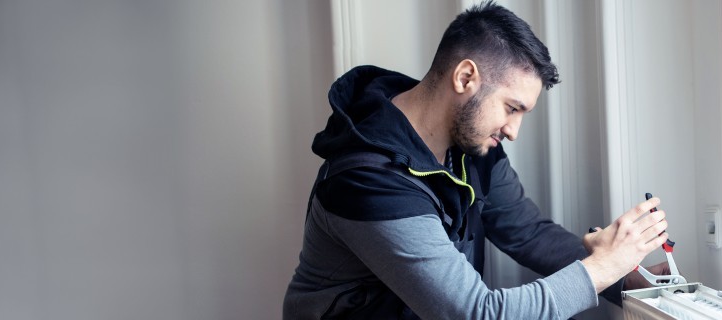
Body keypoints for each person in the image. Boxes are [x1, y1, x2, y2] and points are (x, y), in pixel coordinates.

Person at [283, 1, 671, 319]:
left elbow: (528, 232)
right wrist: (602, 267)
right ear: (465, 77)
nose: (513, 130)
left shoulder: (472, 145)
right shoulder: (368, 179)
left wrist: (624, 273)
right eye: (511, 108)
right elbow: (476, 314)